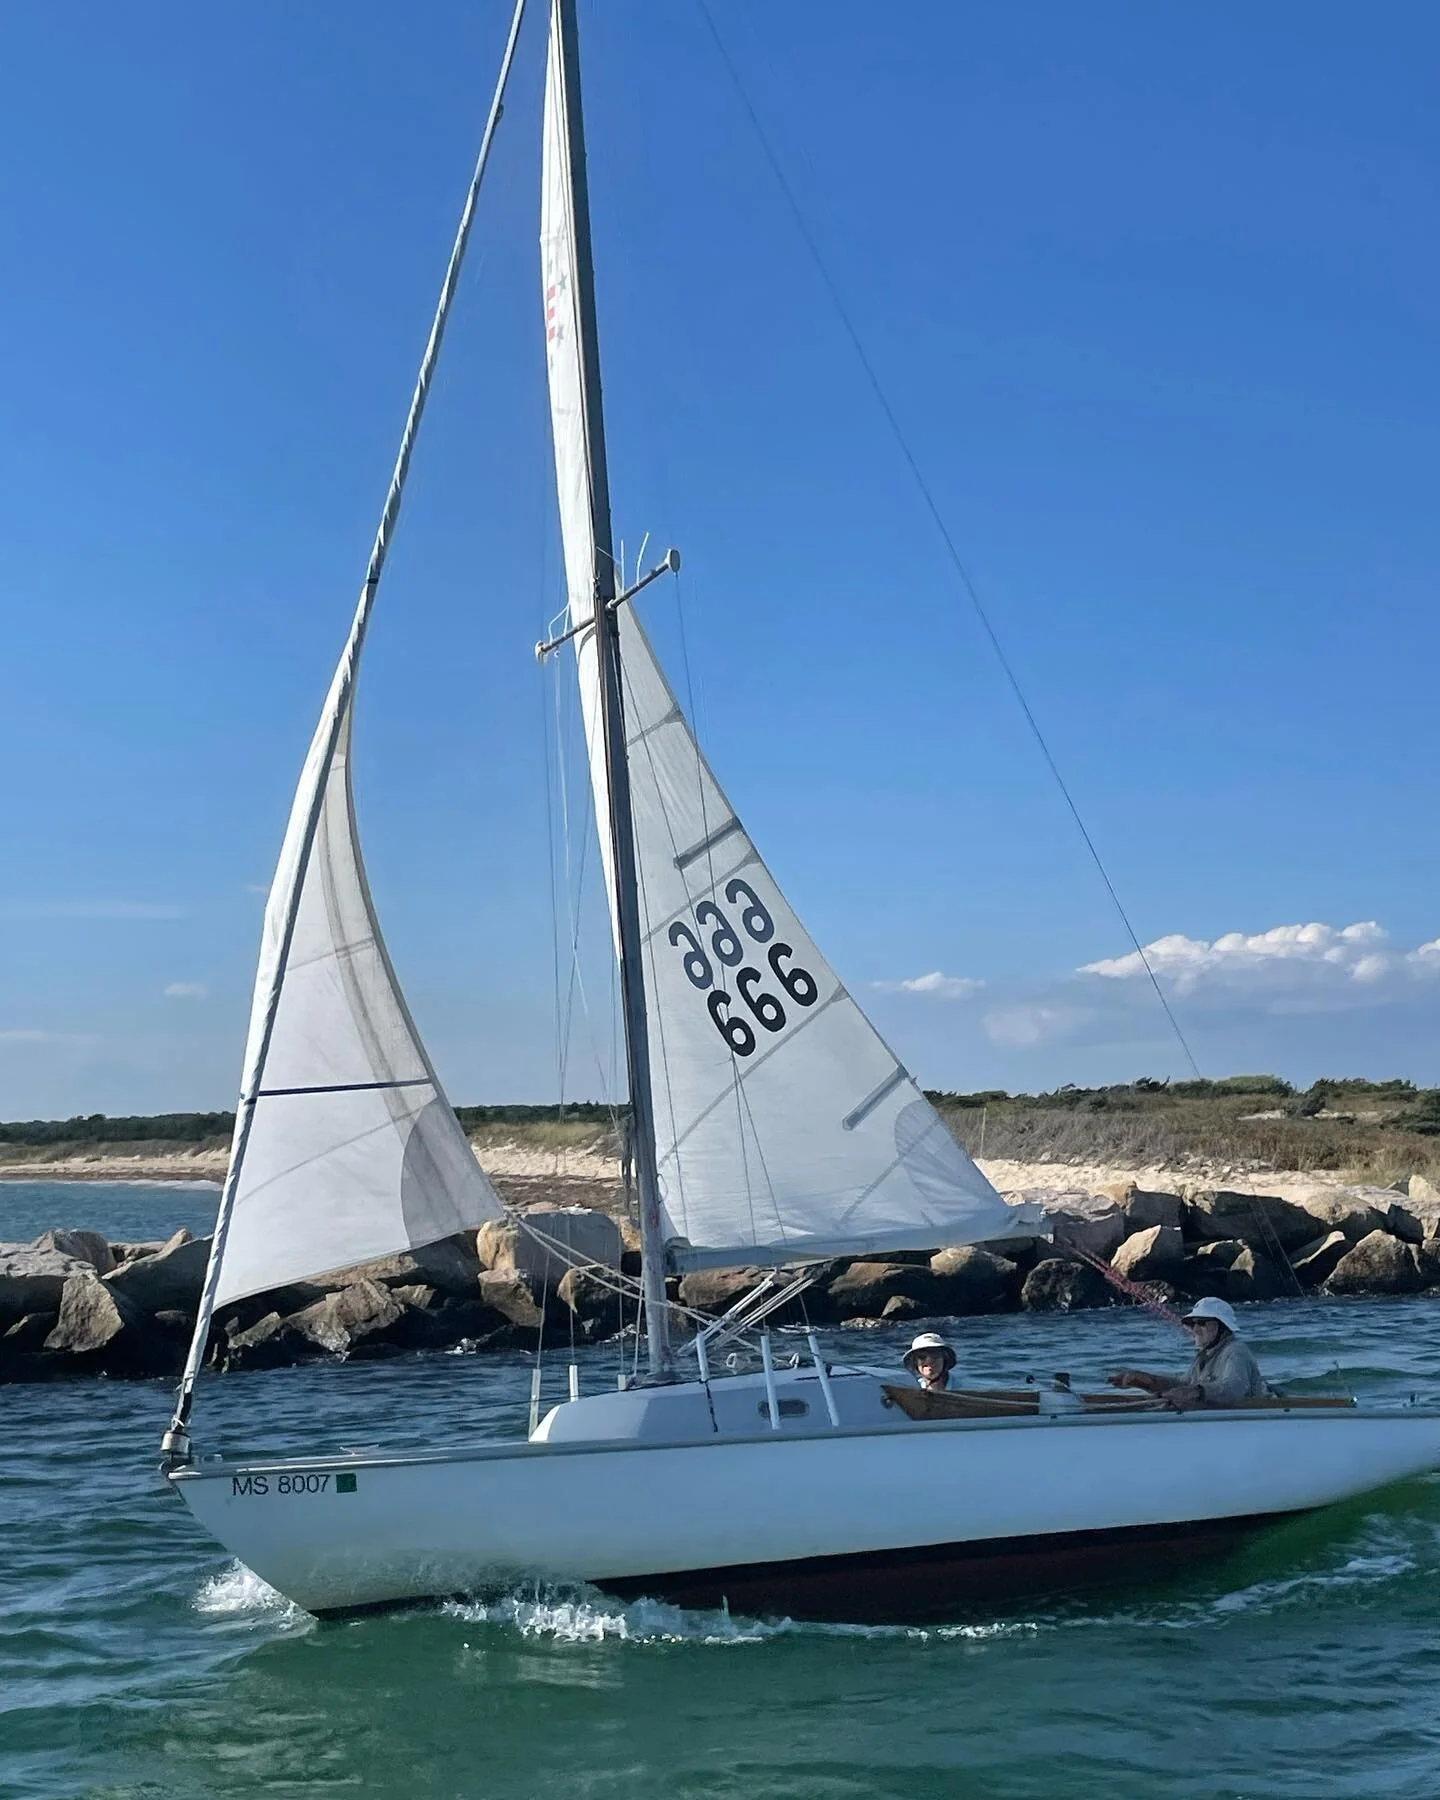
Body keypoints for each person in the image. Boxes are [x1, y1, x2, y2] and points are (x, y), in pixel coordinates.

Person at [1108, 1296, 1270, 1407]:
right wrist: (1147, 1381)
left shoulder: (1235, 1351)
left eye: (1202, 1323)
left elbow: (1233, 1390)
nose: (1195, 1329)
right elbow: (1184, 1384)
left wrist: (1196, 1392)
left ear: (1222, 1326)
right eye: (1192, 1324)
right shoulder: (1205, 1355)